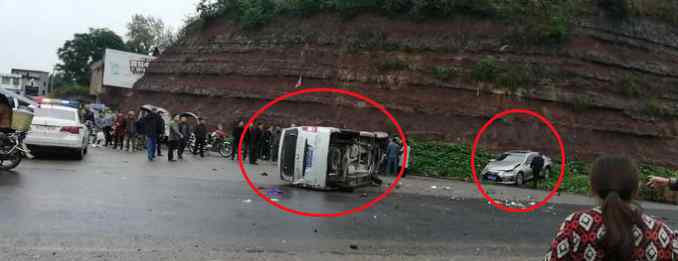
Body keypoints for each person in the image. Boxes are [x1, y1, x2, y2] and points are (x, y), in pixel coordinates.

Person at [546, 155, 678, 260]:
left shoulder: (575, 225)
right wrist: (671, 183)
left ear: (592, 187)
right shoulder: (661, 233)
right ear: (637, 188)